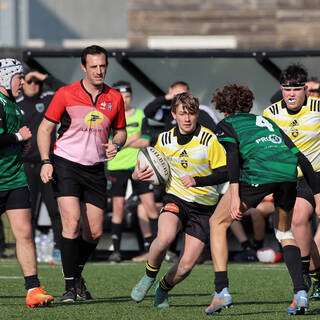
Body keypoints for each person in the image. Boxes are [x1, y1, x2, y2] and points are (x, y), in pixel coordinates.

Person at [205, 83, 320, 316]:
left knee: (217, 222)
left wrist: (235, 196)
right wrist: (317, 196)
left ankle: (221, 291)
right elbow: (303, 160)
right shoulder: (268, 122)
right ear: (248, 104)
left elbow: (233, 161)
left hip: (259, 175)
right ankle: (300, 294)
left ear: (223, 108)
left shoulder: (226, 124)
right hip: (289, 176)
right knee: (284, 233)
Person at [37, 45, 127, 302]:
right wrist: (46, 161)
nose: (99, 71)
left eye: (103, 66)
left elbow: (121, 131)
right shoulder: (66, 93)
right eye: (94, 66)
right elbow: (45, 129)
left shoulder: (115, 98)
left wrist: (117, 144)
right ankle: (68, 288)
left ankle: (76, 274)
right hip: (66, 164)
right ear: (83, 67)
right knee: (72, 222)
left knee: (94, 233)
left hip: (96, 168)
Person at [130, 92, 227, 308]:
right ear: (174, 114)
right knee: (164, 238)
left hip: (203, 208)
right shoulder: (164, 140)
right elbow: (149, 166)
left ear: (197, 114)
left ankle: (163, 289)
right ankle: (148, 276)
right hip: (176, 198)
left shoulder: (209, 140)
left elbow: (225, 173)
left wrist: (198, 180)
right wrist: (136, 175)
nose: (187, 118)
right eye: (182, 113)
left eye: (191, 113)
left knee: (185, 266)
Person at [0, 58, 54, 307]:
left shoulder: (14, 106)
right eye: (19, 77)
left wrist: (20, 145)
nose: (22, 82)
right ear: (5, 78)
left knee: (24, 233)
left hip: (15, 179)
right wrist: (17, 136)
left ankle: (33, 289)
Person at [263, 64, 320, 300]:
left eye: (296, 88)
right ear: (281, 89)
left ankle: (312, 274)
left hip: (317, 174)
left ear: (305, 89)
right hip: (291, 179)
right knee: (297, 219)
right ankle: (310, 276)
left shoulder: (318, 108)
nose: (291, 94)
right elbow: (266, 150)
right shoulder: (271, 114)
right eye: (287, 89)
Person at [107, 80, 159, 263]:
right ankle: (117, 251)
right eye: (121, 96)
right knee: (118, 208)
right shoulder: (111, 116)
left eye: (127, 96)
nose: (125, 99)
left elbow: (145, 141)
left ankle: (156, 248)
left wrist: (121, 141)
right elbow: (109, 143)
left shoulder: (140, 115)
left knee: (150, 206)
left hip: (139, 165)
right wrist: (131, 138)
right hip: (117, 166)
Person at [16, 69, 64, 264]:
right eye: (29, 81)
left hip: (48, 164)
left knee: (55, 210)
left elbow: (64, 89)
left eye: (36, 81)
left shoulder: (47, 99)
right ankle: (30, 250)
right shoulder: (16, 105)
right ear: (22, 83)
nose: (33, 84)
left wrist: (45, 76)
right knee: (28, 212)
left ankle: (59, 250)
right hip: (26, 166)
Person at [144, 81, 218, 132]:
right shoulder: (168, 112)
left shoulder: (202, 109)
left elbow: (215, 131)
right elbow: (148, 112)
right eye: (176, 94)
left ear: (189, 93)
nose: (187, 119)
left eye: (183, 94)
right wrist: (165, 97)